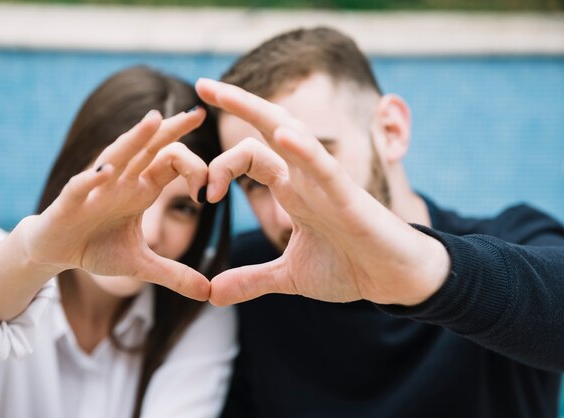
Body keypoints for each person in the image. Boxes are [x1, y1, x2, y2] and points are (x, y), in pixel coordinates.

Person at [194, 27, 564, 417]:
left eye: (310, 161)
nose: (285, 212)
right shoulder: (245, 281)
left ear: (391, 130)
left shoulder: (514, 239)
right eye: (255, 183)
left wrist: (427, 274)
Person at [0, 65, 237, 418]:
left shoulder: (197, 304)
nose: (150, 233)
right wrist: (36, 258)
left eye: (183, 208)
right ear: (72, 174)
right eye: (126, 190)